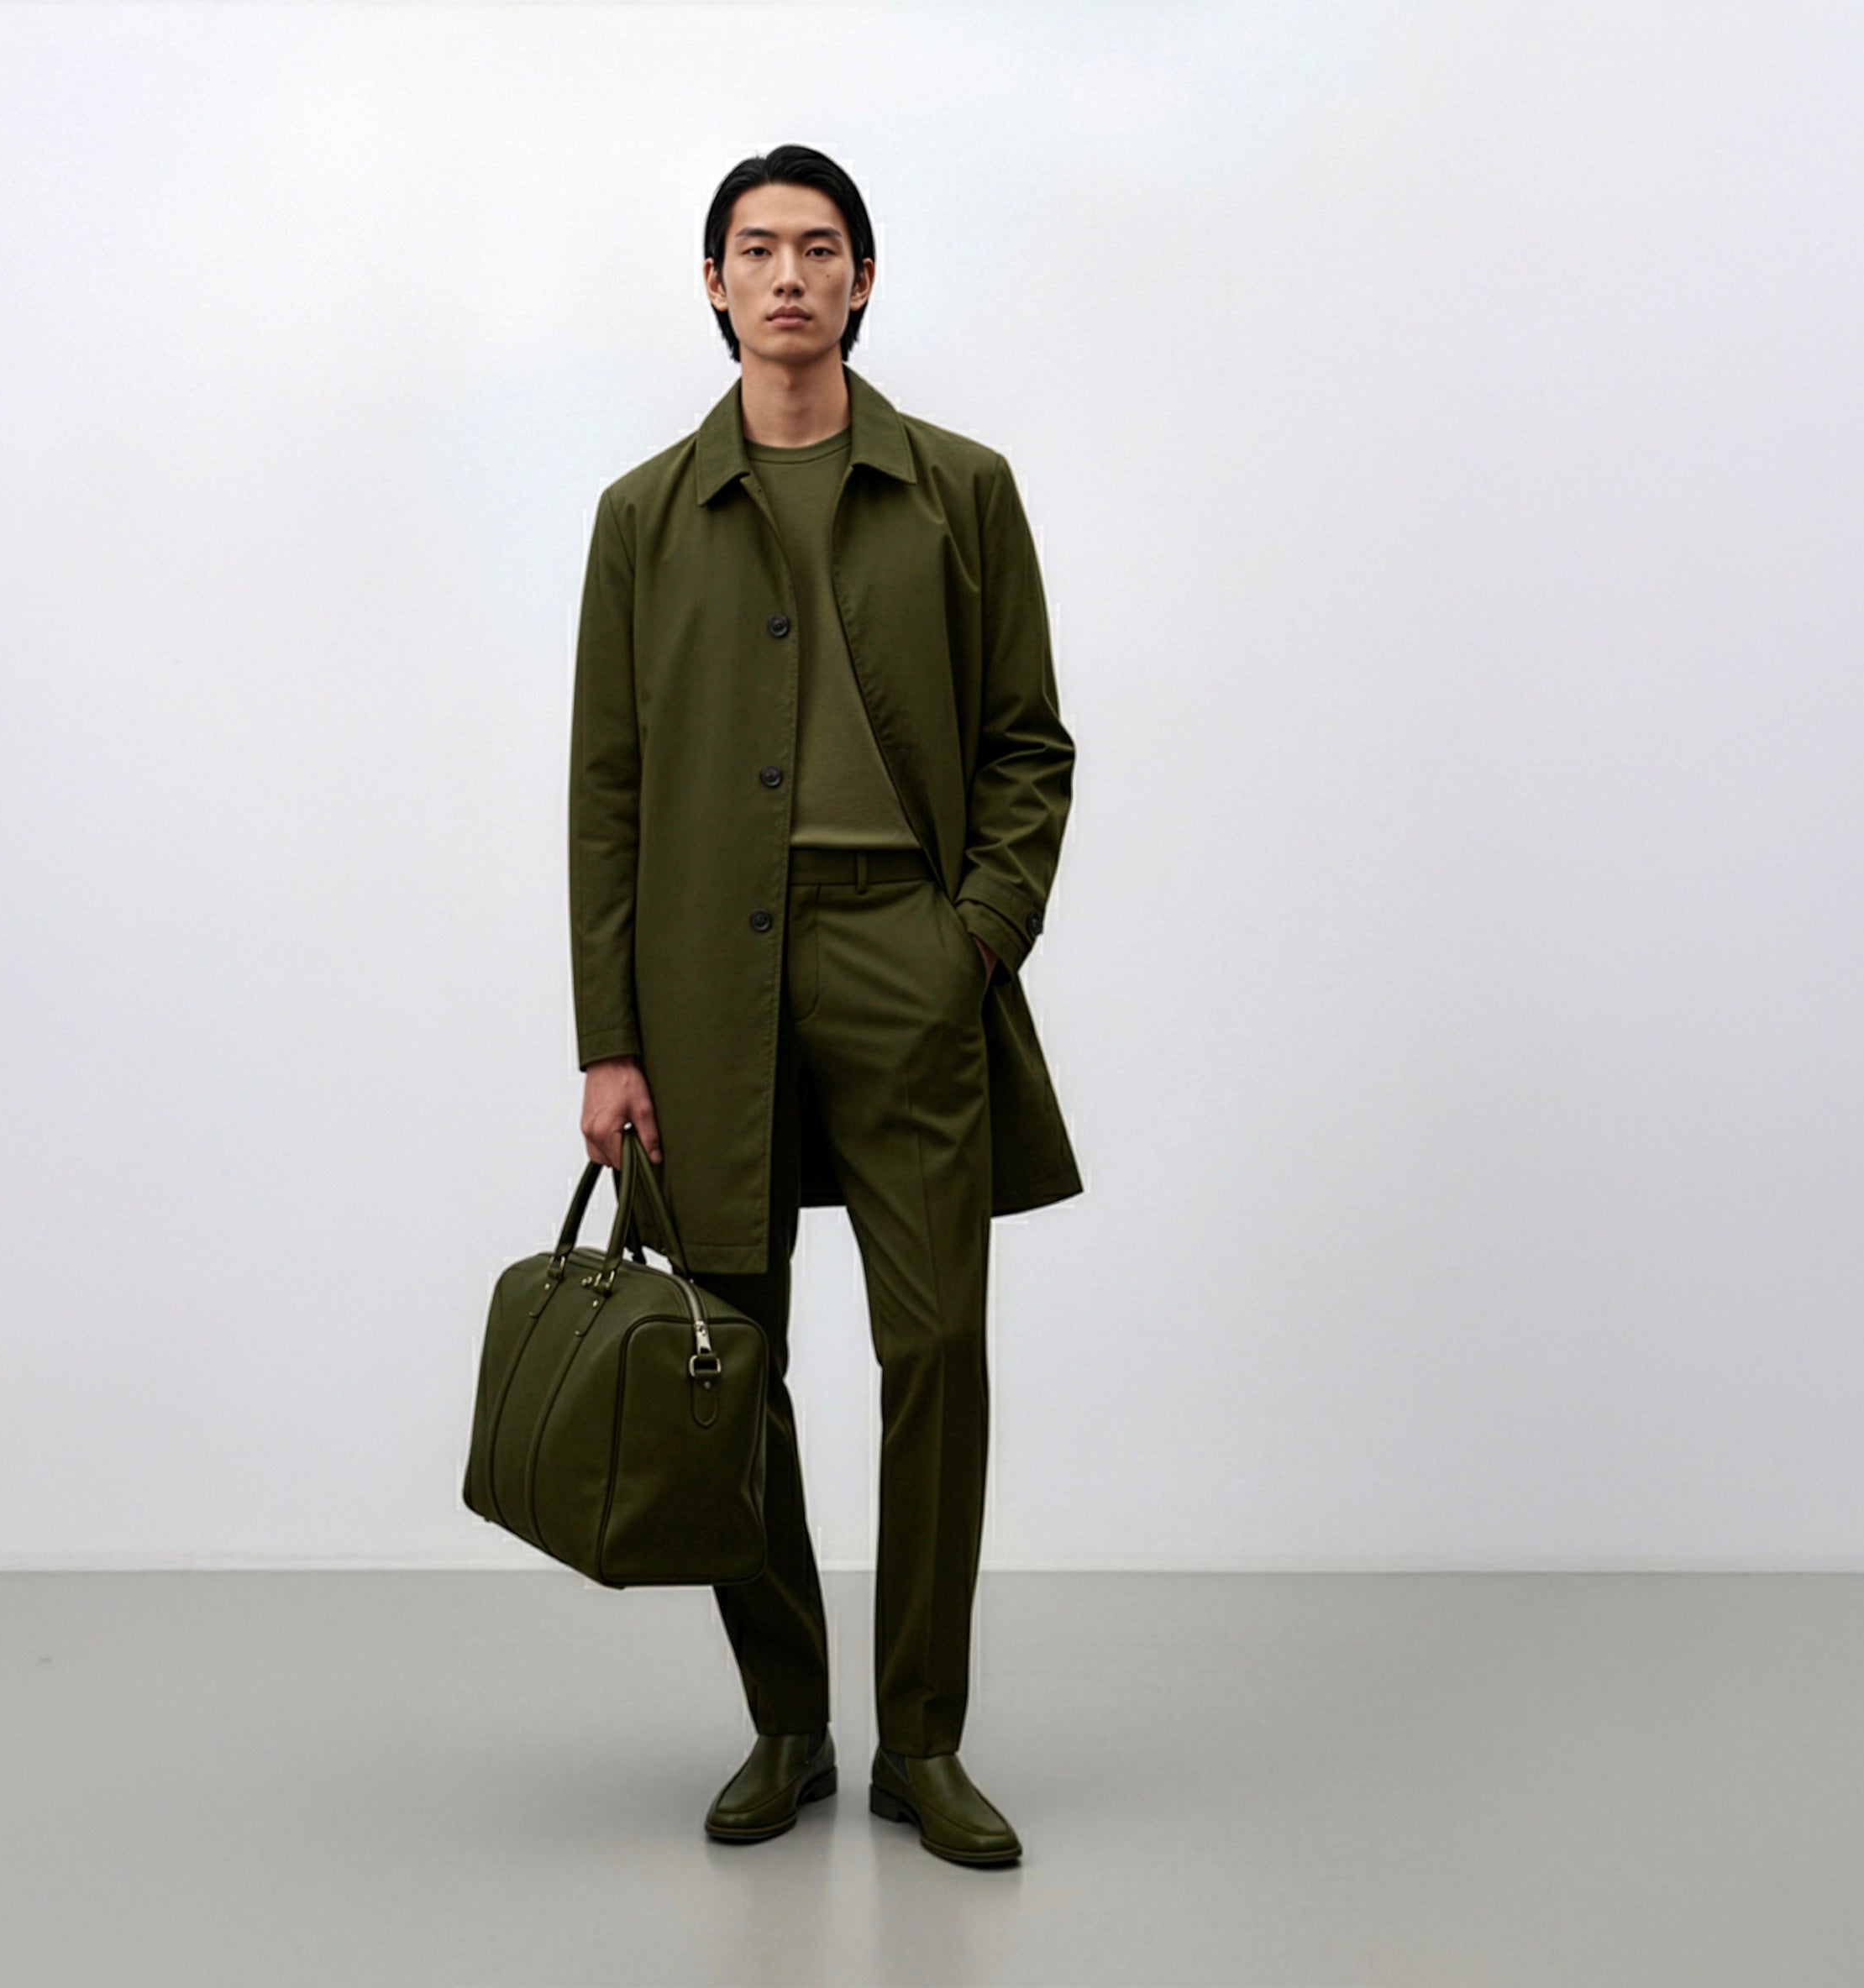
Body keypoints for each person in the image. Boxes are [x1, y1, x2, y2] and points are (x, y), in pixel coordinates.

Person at [565, 144, 1079, 1869]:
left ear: (862, 280)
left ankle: (920, 1741)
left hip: (901, 956)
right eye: (754, 249)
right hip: (703, 980)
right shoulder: (643, 517)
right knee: (733, 1356)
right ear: (712, 285)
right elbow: (606, 790)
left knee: (933, 1347)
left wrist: (974, 936)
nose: (787, 276)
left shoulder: (960, 491)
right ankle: (787, 1718)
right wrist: (608, 1038)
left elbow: (1027, 743)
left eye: (818, 248)